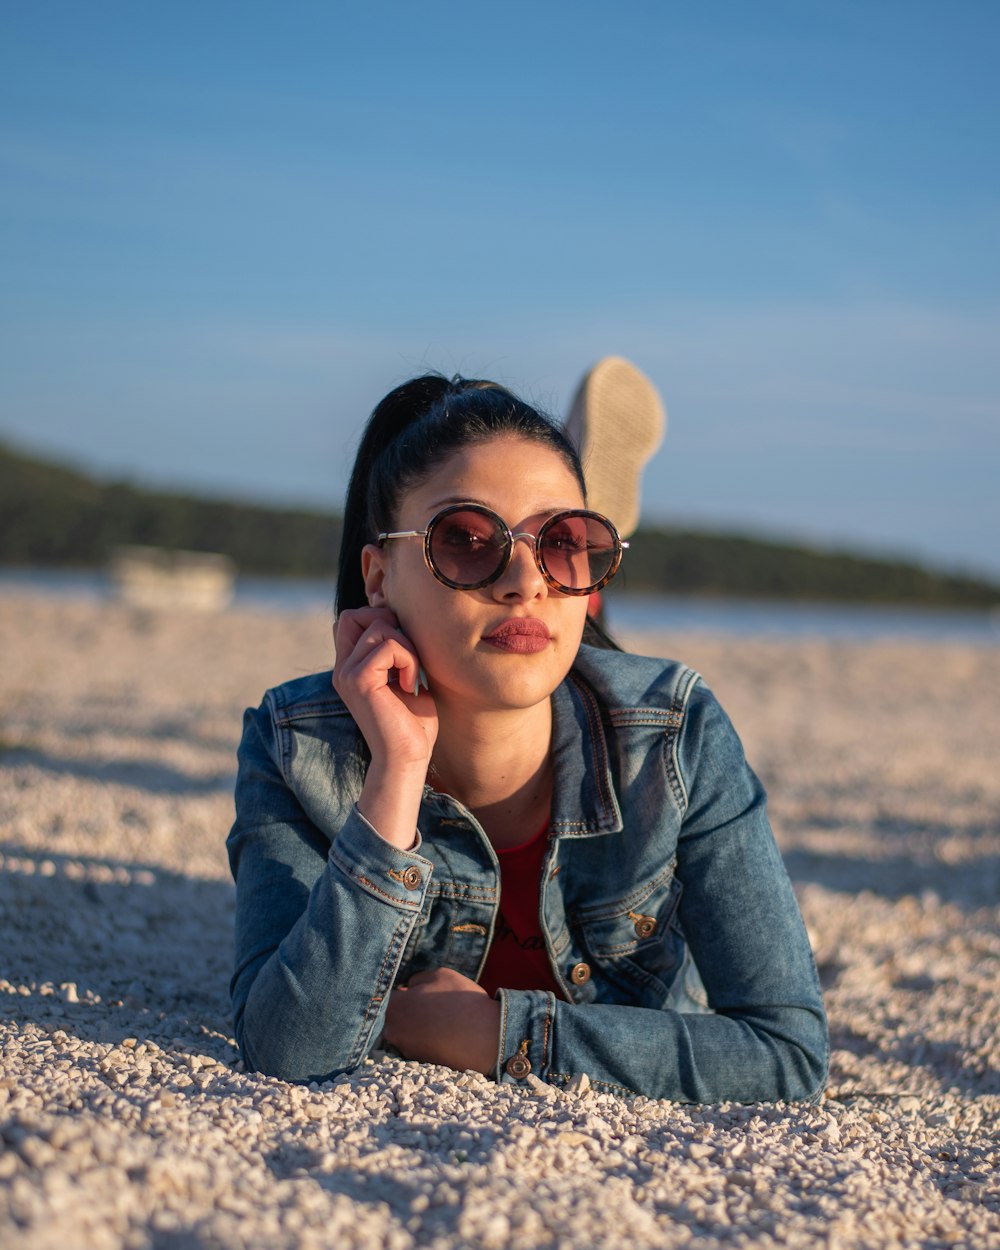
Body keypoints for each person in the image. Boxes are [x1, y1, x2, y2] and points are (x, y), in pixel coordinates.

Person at [227, 373, 828, 1102]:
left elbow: (786, 1054)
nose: (522, 580)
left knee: (573, 647)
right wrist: (396, 773)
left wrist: (497, 1035)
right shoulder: (296, 746)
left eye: (563, 542)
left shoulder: (673, 738)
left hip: (600, 705)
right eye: (468, 541)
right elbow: (289, 1047)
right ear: (378, 576)